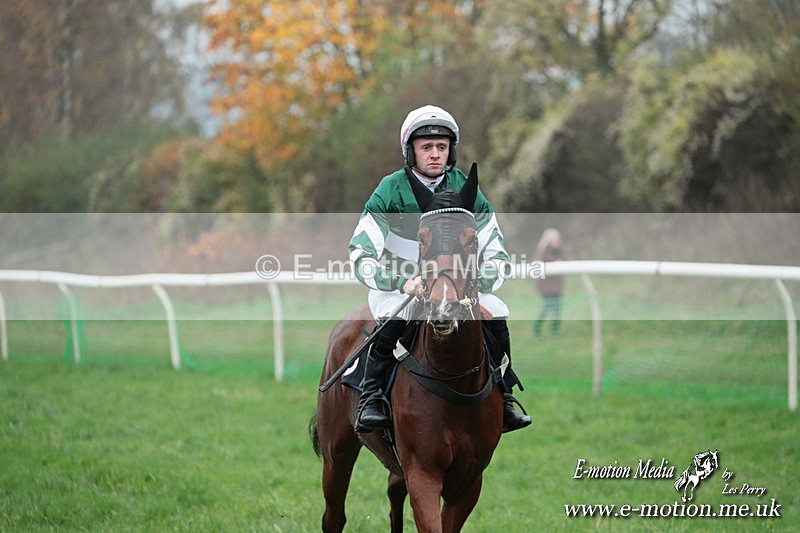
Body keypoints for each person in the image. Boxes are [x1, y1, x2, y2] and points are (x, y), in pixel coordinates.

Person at [348, 104, 531, 434]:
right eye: (426, 147)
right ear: (411, 151)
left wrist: (474, 278)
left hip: (456, 283)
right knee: (395, 318)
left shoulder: (468, 190)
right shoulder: (390, 189)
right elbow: (360, 254)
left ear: (451, 151)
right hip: (400, 285)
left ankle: (503, 396)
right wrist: (401, 280)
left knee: (496, 312)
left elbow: (498, 254)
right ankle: (371, 397)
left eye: (442, 147)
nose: (435, 154)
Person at [534, 228, 564, 336]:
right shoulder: (544, 250)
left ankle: (555, 330)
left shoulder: (558, 249)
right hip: (546, 286)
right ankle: (537, 327)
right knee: (547, 307)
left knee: (558, 309)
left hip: (556, 286)